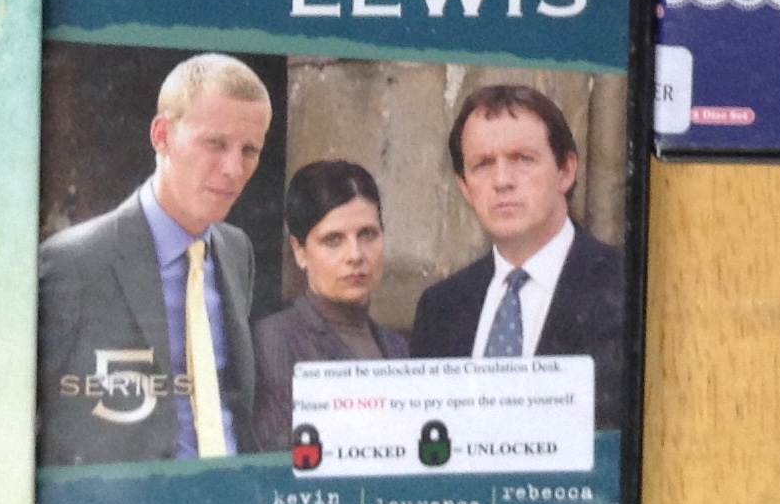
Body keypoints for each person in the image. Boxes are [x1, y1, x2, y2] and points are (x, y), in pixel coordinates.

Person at [38, 54, 272, 465]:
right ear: (162, 136)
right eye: (215, 144)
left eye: (249, 150)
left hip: (231, 494)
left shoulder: (236, 251)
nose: (234, 169)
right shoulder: (73, 264)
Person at [410, 85, 627, 430]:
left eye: (522, 159)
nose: (502, 181)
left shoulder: (628, 288)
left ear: (566, 171)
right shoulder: (440, 309)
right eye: (483, 165)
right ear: (465, 187)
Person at [251, 161, 407, 453]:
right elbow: (278, 459)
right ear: (299, 251)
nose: (355, 255)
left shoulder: (398, 349)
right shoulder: (274, 342)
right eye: (333, 240)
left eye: (368, 234)